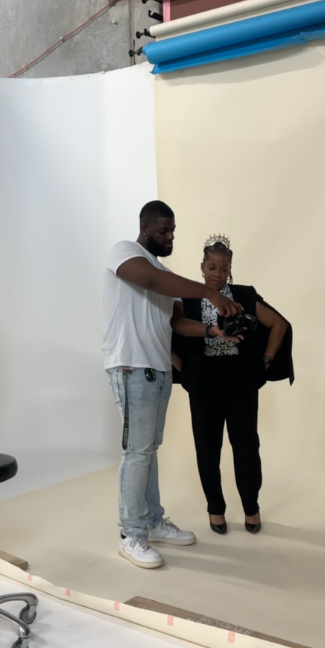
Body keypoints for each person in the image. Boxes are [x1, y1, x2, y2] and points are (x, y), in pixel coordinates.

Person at [102, 203, 240, 569]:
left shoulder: (167, 274)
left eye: (173, 231)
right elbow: (148, 281)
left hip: (159, 370)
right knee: (137, 452)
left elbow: (177, 325)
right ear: (145, 227)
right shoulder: (125, 253)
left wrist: (213, 330)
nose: (170, 237)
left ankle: (151, 520)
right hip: (131, 366)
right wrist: (209, 293)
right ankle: (131, 534)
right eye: (164, 231)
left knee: (148, 450)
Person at [172, 234, 293, 535]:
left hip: (240, 383)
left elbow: (280, 324)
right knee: (207, 450)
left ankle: (251, 507)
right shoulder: (186, 299)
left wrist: (264, 361)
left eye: (223, 268)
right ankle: (216, 509)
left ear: (230, 269)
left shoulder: (243, 296)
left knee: (247, 447)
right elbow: (167, 331)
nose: (217, 274)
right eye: (212, 267)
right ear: (202, 267)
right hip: (203, 385)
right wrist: (183, 369)